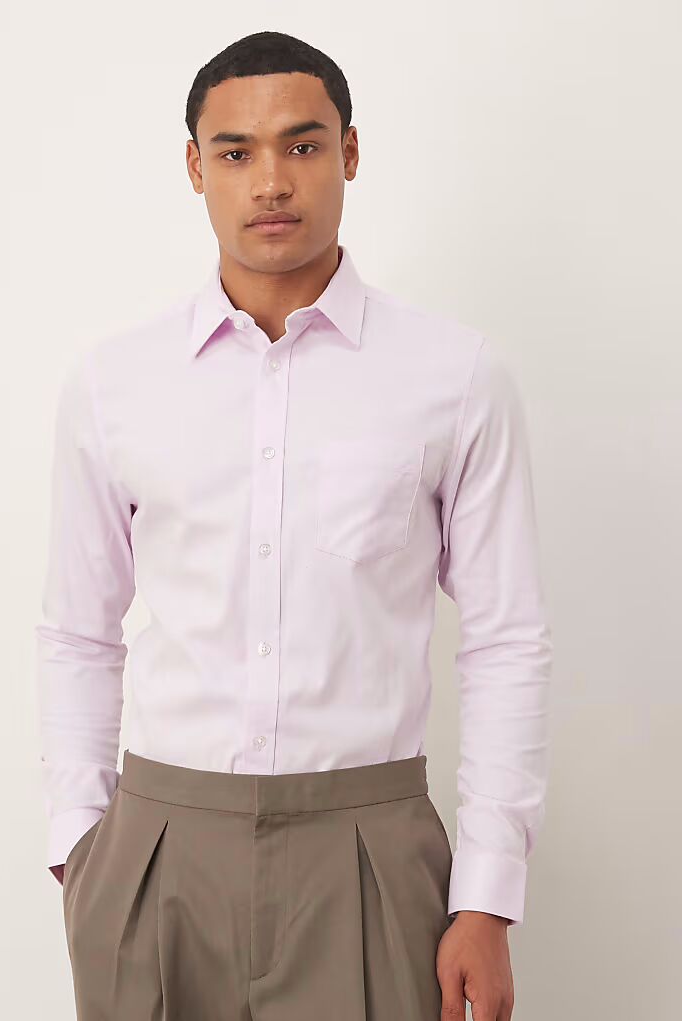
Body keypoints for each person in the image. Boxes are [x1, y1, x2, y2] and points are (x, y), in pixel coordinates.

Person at [35, 29, 552, 1021]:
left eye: (302, 145)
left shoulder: (454, 376)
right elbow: (76, 629)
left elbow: (506, 639)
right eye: (235, 152)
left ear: (349, 153)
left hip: (368, 843)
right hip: (157, 844)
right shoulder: (113, 384)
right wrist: (79, 840)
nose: (270, 181)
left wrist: (488, 896)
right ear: (196, 168)